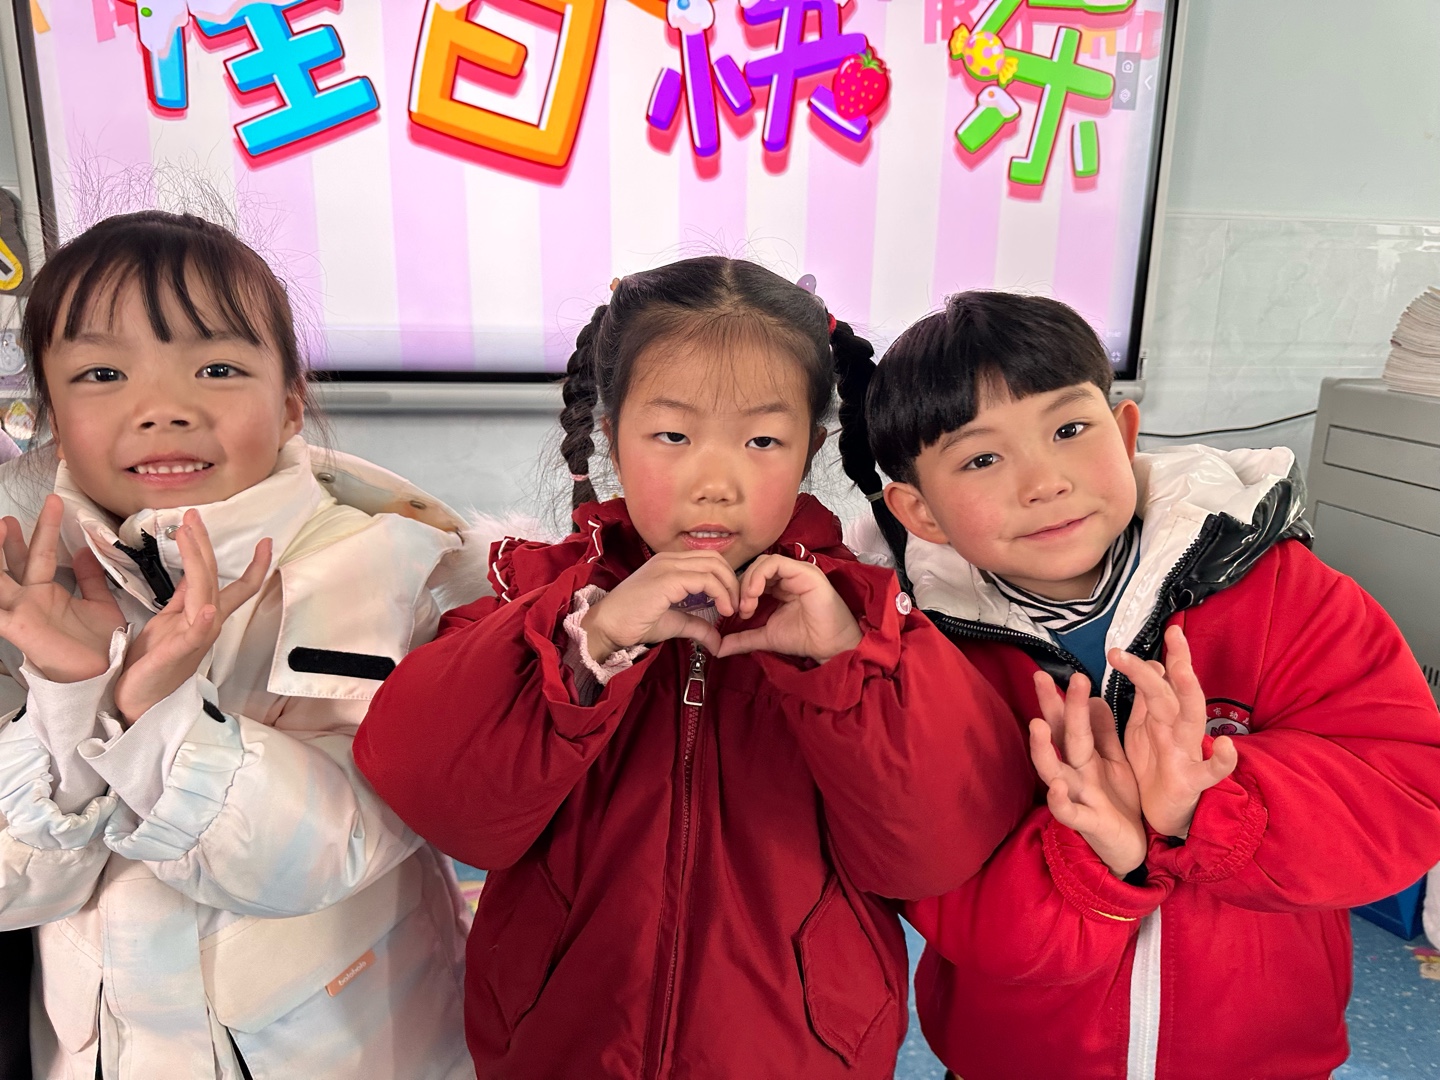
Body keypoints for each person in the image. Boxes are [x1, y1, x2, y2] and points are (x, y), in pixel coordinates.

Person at [354, 257, 1033, 1078]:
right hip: (563, 1049)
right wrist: (592, 641)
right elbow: (443, 803)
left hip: (799, 1057)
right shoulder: (536, 602)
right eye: (672, 436)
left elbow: (937, 851)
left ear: (810, 450)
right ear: (612, 438)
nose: (716, 483)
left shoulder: (868, 621)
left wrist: (843, 668)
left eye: (762, 441)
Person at [839, 290, 1440, 1080]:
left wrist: (1209, 804)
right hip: (1021, 1061)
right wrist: (1099, 858)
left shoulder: (1284, 594)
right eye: (982, 459)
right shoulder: (918, 660)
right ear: (919, 512)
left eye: (1068, 430)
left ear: (1124, 433)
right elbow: (938, 887)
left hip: (1261, 1060)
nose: (1045, 481)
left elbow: (1404, 797)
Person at [0, 211, 478, 1079]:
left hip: (355, 1051)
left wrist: (159, 720)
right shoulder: (26, 585)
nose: (163, 409)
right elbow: (16, 885)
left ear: (290, 402)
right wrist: (70, 698)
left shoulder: (386, 568)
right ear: (50, 416)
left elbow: (342, 845)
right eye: (102, 373)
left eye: (217, 368)